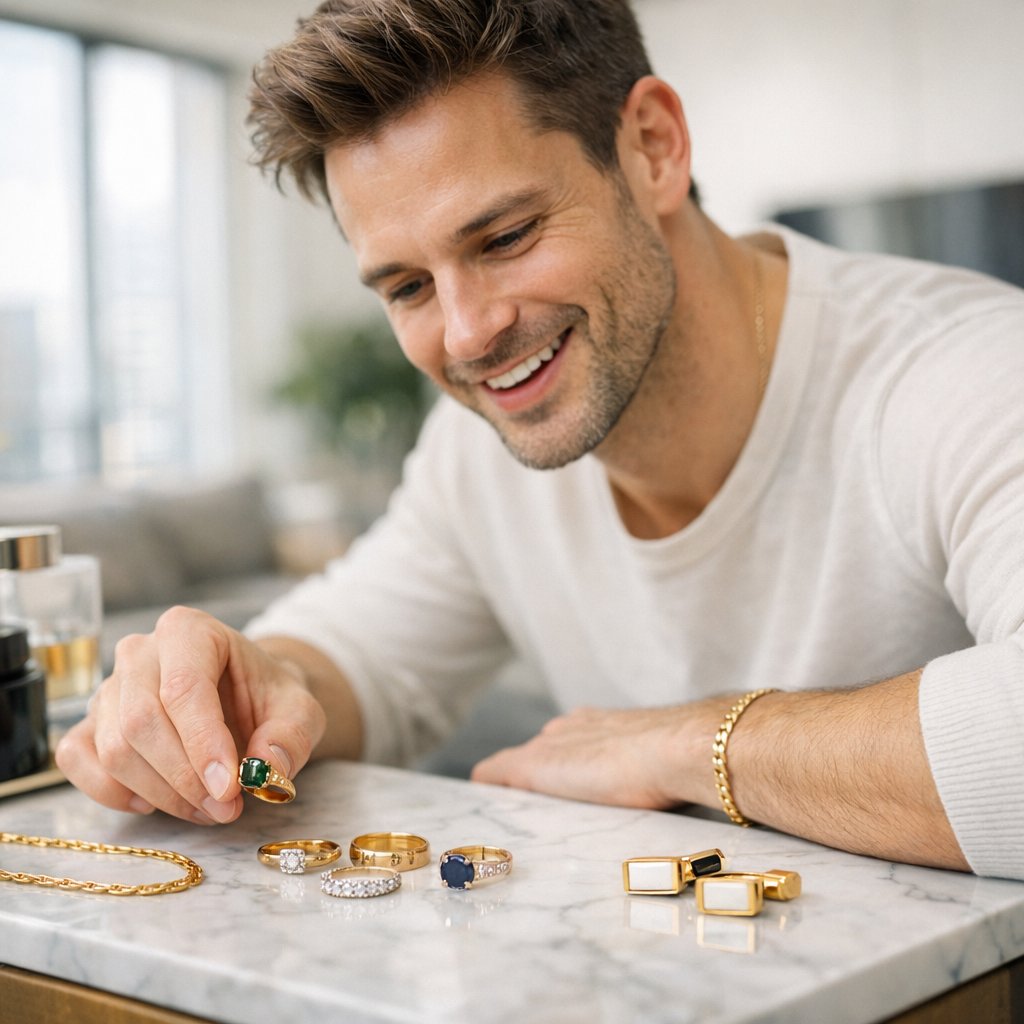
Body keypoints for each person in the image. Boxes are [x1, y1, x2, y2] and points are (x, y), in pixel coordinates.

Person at [56, 0, 1024, 880]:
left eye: (506, 236)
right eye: (407, 287)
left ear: (652, 148)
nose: (467, 334)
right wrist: (236, 693)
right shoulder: (477, 450)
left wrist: (684, 743)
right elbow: (356, 658)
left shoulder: (964, 373)